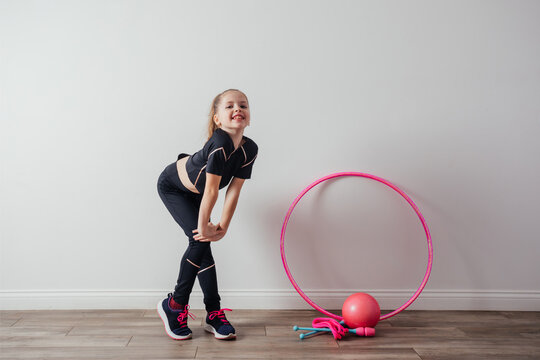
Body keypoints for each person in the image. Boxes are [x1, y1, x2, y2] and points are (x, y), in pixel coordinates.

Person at [156, 89, 257, 340]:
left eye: (243, 105)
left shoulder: (250, 149)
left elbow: (233, 191)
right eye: (229, 106)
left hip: (198, 194)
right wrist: (205, 229)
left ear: (249, 115)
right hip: (174, 187)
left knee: (203, 247)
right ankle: (175, 306)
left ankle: (213, 314)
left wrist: (223, 226)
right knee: (199, 242)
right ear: (217, 119)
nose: (237, 109)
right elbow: (212, 190)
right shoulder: (220, 142)